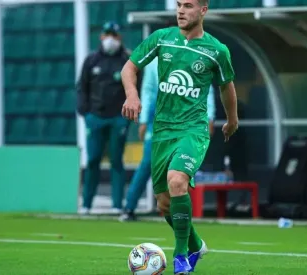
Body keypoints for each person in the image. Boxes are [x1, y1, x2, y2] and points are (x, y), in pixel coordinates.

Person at [120, 0, 239, 273]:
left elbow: (226, 87)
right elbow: (129, 68)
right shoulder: (162, 39)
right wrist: (132, 95)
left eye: (187, 5)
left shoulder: (216, 50)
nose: (180, 10)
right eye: (178, 4)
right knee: (164, 204)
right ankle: (196, 244)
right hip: (162, 131)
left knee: (177, 181)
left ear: (203, 10)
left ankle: (181, 256)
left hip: (192, 129)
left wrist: (232, 119)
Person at [119, 56, 216, 222]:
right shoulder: (155, 62)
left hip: (188, 122)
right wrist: (143, 121)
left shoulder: (197, 58)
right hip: (160, 123)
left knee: (183, 165)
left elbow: (206, 89)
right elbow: (149, 90)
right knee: (148, 164)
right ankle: (129, 207)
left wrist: (210, 117)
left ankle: (180, 211)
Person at [76, 21, 132, 215]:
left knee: (116, 161)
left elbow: (135, 89)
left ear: (120, 37)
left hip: (118, 117)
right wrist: (86, 113)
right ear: (101, 36)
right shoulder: (91, 60)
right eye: (107, 34)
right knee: (92, 160)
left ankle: (117, 204)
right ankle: (86, 204)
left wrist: (128, 117)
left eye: (114, 35)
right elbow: (82, 87)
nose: (111, 39)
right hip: (96, 117)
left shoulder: (127, 60)